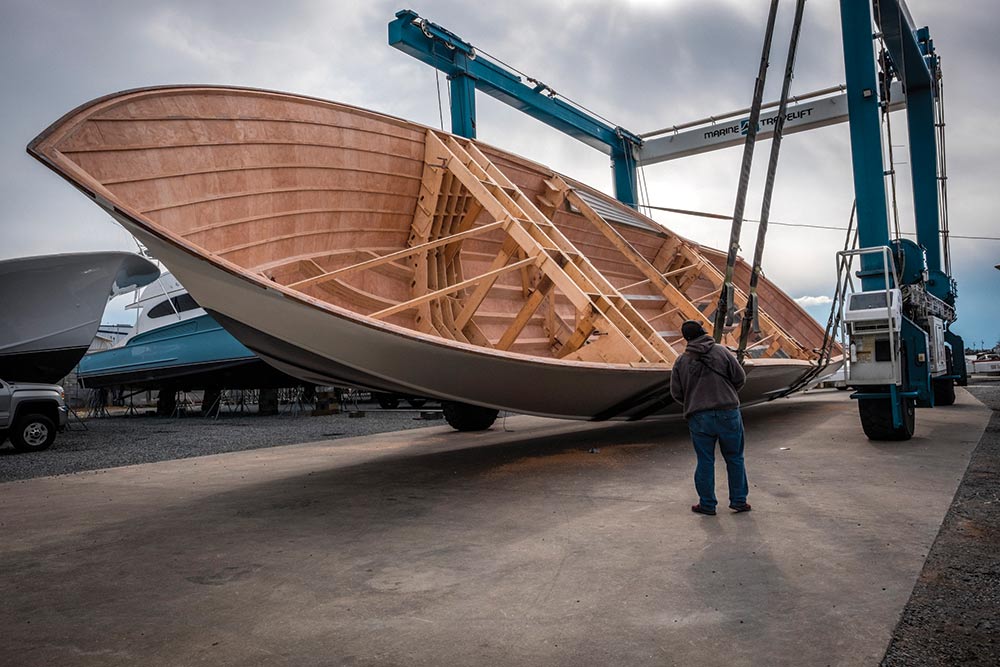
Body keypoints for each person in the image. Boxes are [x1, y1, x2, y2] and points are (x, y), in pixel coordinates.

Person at [669, 320, 751, 516]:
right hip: (728, 412)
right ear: (703, 332)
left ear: (686, 338)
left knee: (705, 460)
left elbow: (676, 392)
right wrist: (727, 394)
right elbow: (740, 378)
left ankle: (707, 504)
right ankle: (739, 501)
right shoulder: (722, 351)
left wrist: (695, 401)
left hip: (699, 416)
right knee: (735, 458)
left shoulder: (682, 361)